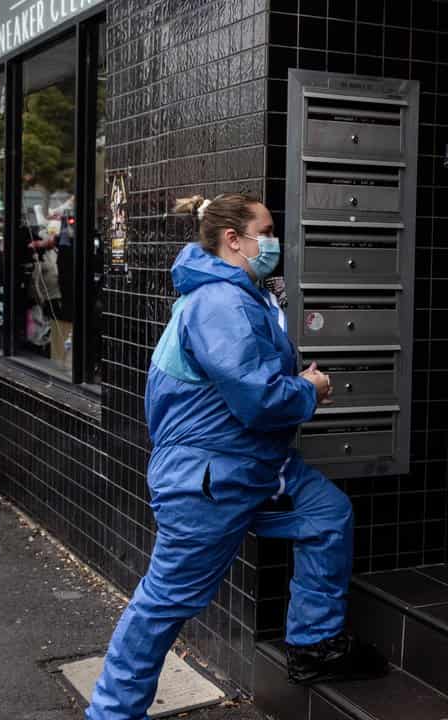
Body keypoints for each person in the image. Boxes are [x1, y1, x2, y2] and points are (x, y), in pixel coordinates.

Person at [86, 193, 387, 719]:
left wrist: (295, 384)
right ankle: (111, 713)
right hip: (211, 479)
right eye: (267, 231)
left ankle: (314, 643)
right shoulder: (219, 304)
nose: (275, 242)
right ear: (234, 240)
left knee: (326, 515)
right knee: (164, 603)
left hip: (251, 468)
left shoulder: (239, 292)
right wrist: (310, 390)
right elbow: (258, 397)